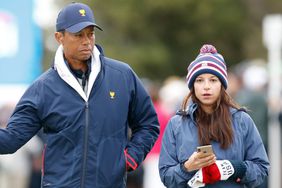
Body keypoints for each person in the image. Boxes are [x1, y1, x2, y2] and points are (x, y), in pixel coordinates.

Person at [0, 2, 159, 188]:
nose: (87, 41)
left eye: (90, 34)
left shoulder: (122, 76)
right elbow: (11, 139)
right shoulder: (42, 88)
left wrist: (129, 159)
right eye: (78, 35)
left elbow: (148, 124)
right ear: (59, 37)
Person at [159, 44, 269, 188]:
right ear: (192, 85)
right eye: (199, 80)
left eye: (213, 80)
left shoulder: (242, 120)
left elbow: (261, 169)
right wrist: (186, 167)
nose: (206, 86)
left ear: (222, 84)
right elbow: (166, 177)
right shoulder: (177, 123)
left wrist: (234, 168)